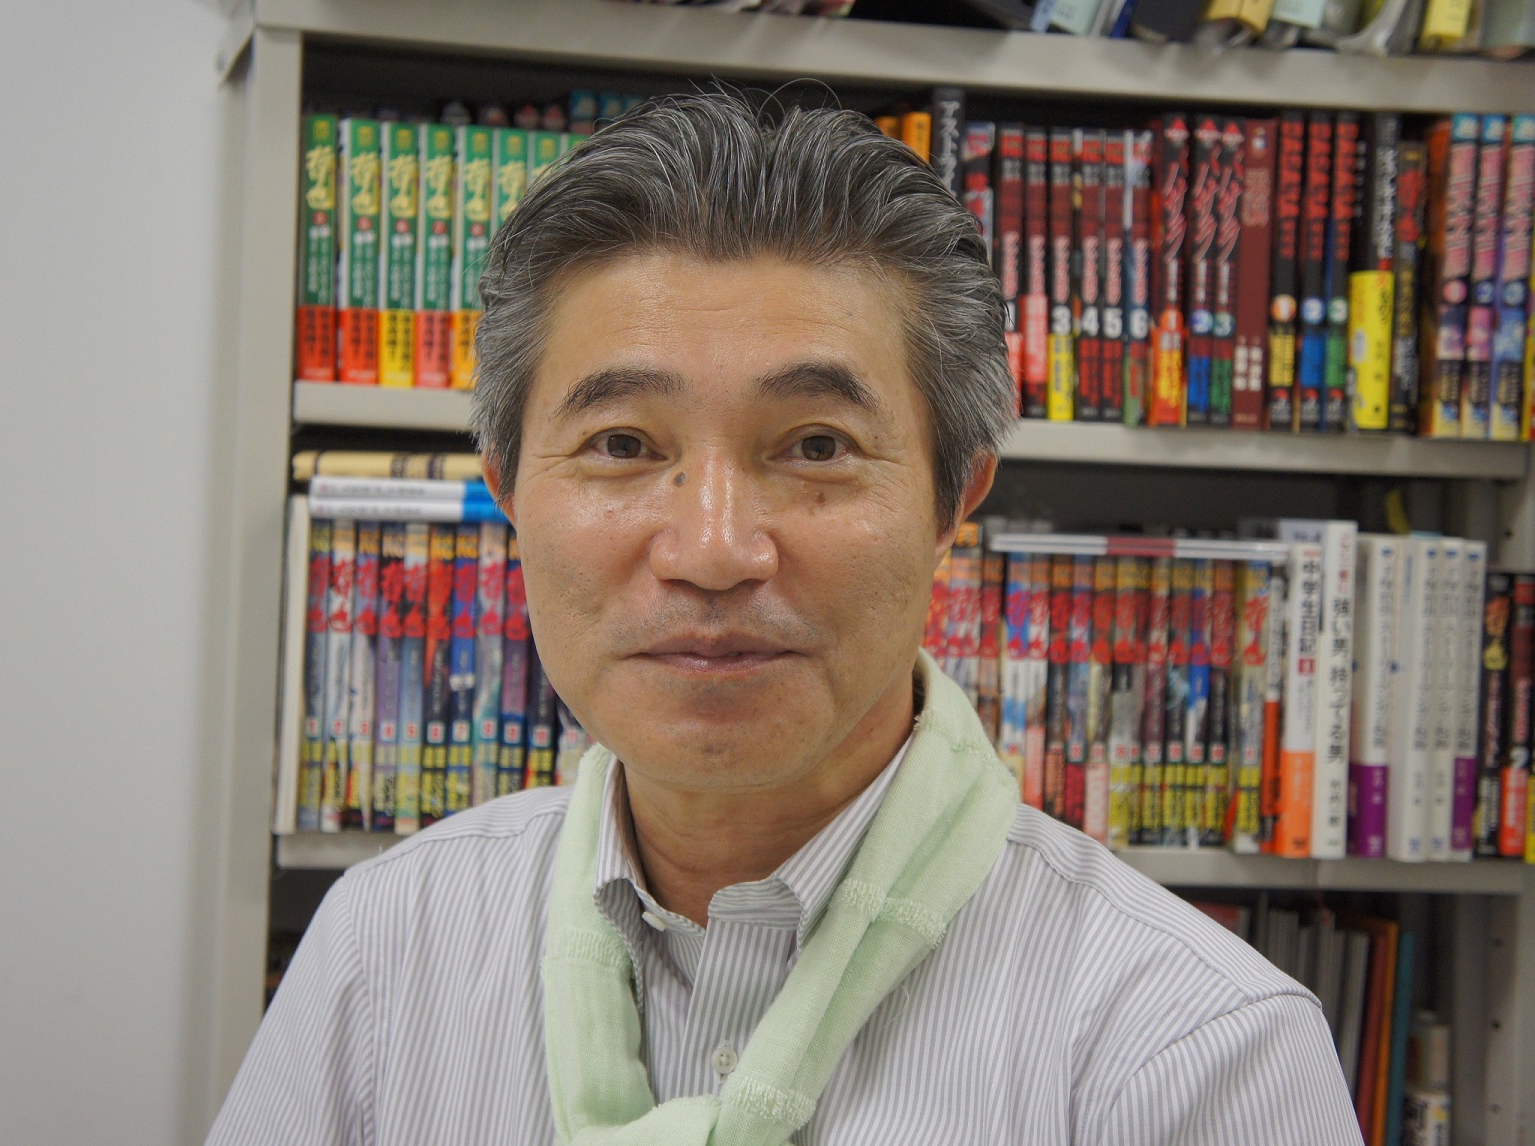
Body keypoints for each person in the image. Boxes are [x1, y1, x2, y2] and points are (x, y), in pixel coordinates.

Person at [209, 91, 1359, 1145]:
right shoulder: (384, 951)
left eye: (816, 446)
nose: (713, 551)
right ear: (508, 492)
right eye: (623, 444)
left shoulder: (1192, 1050)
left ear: (952, 503)